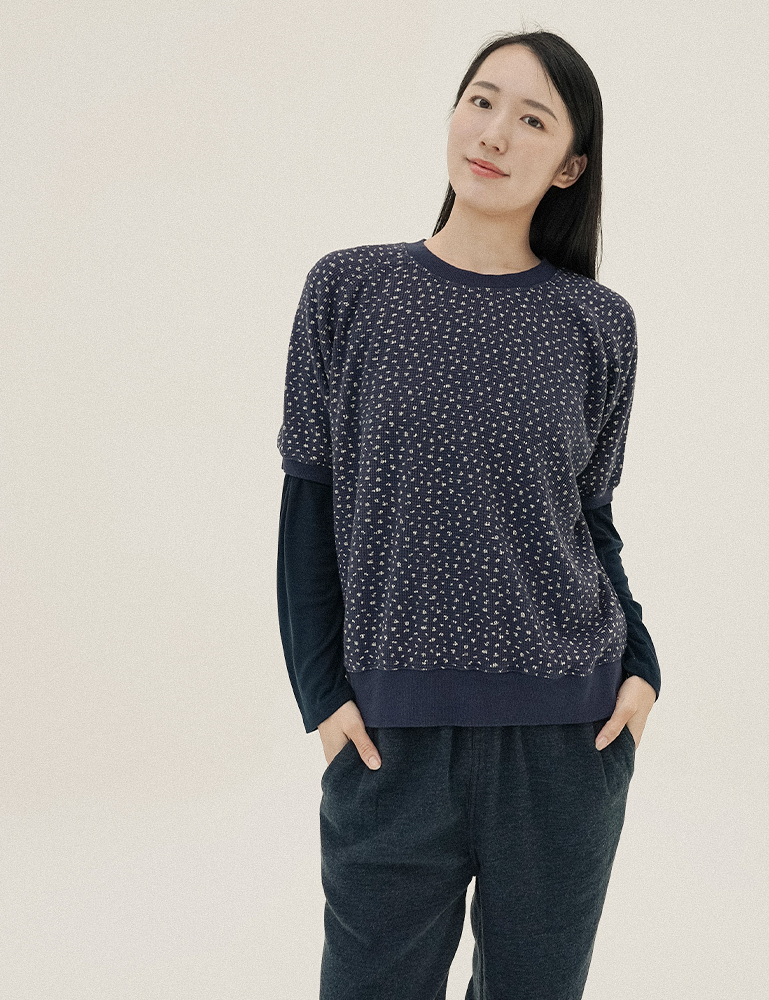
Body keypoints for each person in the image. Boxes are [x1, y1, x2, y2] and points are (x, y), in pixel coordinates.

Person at [276, 28, 661, 1000]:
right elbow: (307, 511)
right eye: (481, 100)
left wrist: (643, 667)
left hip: (568, 739)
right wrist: (323, 696)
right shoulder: (348, 291)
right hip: (389, 741)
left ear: (569, 165)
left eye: (532, 119)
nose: (493, 132)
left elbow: (589, 520)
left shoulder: (597, 324)